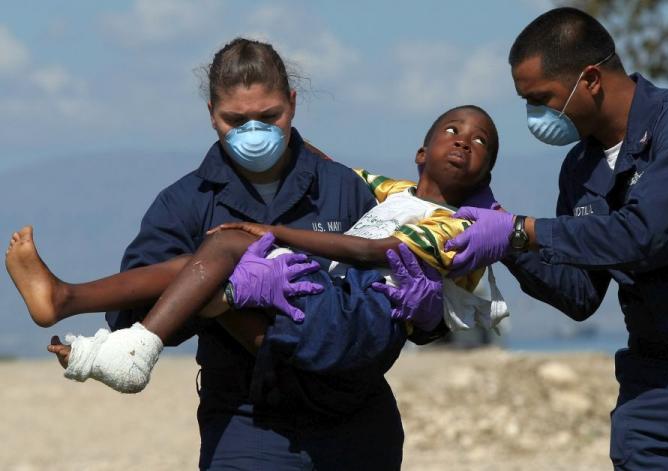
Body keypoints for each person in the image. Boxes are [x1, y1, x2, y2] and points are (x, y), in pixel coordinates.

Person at [4, 36, 493, 471]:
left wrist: (429, 318)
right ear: (211, 113)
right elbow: (133, 315)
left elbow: (387, 299)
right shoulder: (185, 202)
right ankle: (70, 300)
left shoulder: (343, 187)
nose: (254, 131)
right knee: (208, 261)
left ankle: (68, 297)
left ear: (293, 105)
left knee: (223, 255)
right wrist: (224, 299)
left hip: (357, 421)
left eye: (269, 117)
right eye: (235, 120)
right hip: (248, 421)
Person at [6, 104, 506, 393]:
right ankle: (74, 310)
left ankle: (124, 345)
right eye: (451, 130)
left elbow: (375, 250)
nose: (464, 142)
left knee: (227, 246)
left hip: (357, 316)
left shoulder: (461, 225)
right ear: (421, 153)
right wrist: (281, 130)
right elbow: (333, 165)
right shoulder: (396, 193)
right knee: (200, 268)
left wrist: (275, 232)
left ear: (485, 172)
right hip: (329, 307)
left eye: (480, 142)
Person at [444, 7, 668, 470]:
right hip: (648, 388)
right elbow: (581, 294)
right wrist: (505, 241)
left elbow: (645, 237)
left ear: (589, 79)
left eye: (541, 98)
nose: (534, 116)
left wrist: (521, 230)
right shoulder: (579, 168)